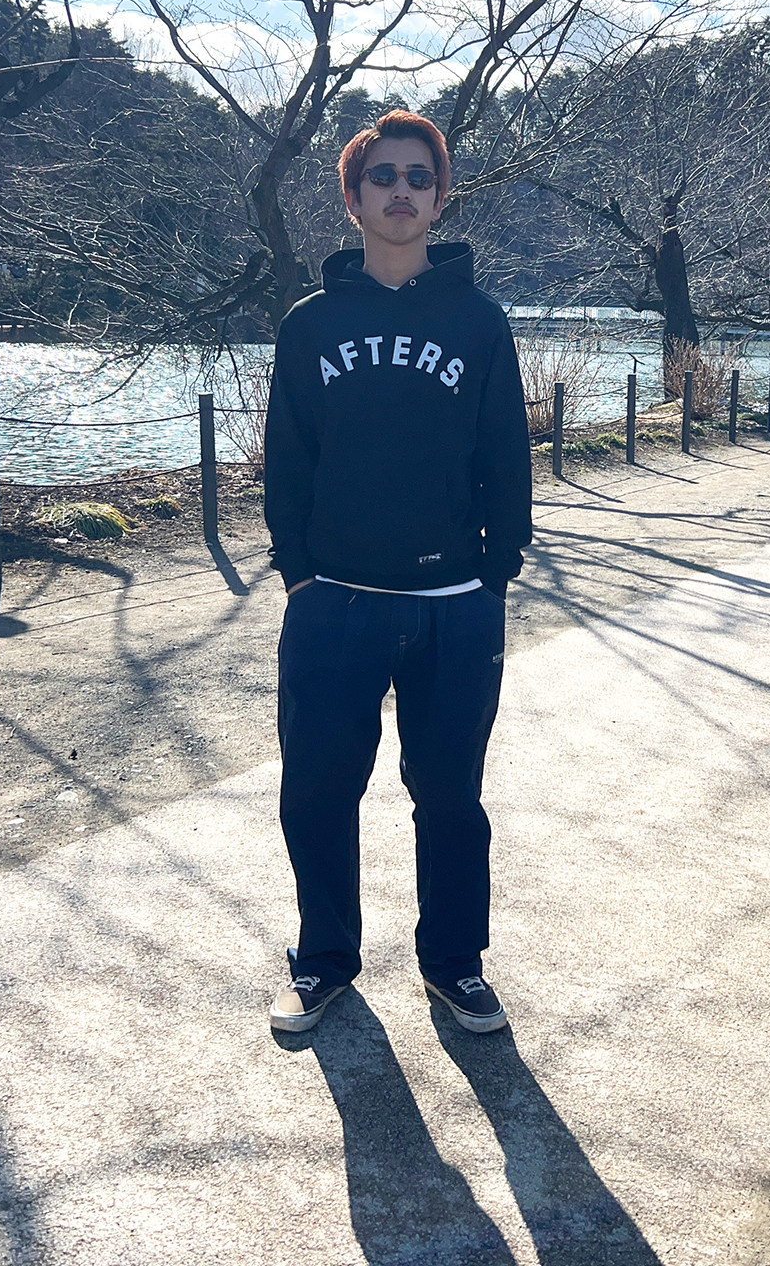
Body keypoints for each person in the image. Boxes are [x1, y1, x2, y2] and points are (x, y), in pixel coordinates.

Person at [263, 109, 532, 1035]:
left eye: (420, 177)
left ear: (441, 196)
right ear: (353, 198)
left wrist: (496, 572)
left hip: (455, 605)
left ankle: (455, 964)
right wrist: (298, 574)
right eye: (383, 176)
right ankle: (323, 959)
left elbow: (505, 453)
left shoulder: (478, 321)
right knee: (316, 792)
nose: (402, 191)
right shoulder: (310, 326)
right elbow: (288, 458)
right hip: (334, 602)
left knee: (451, 799)